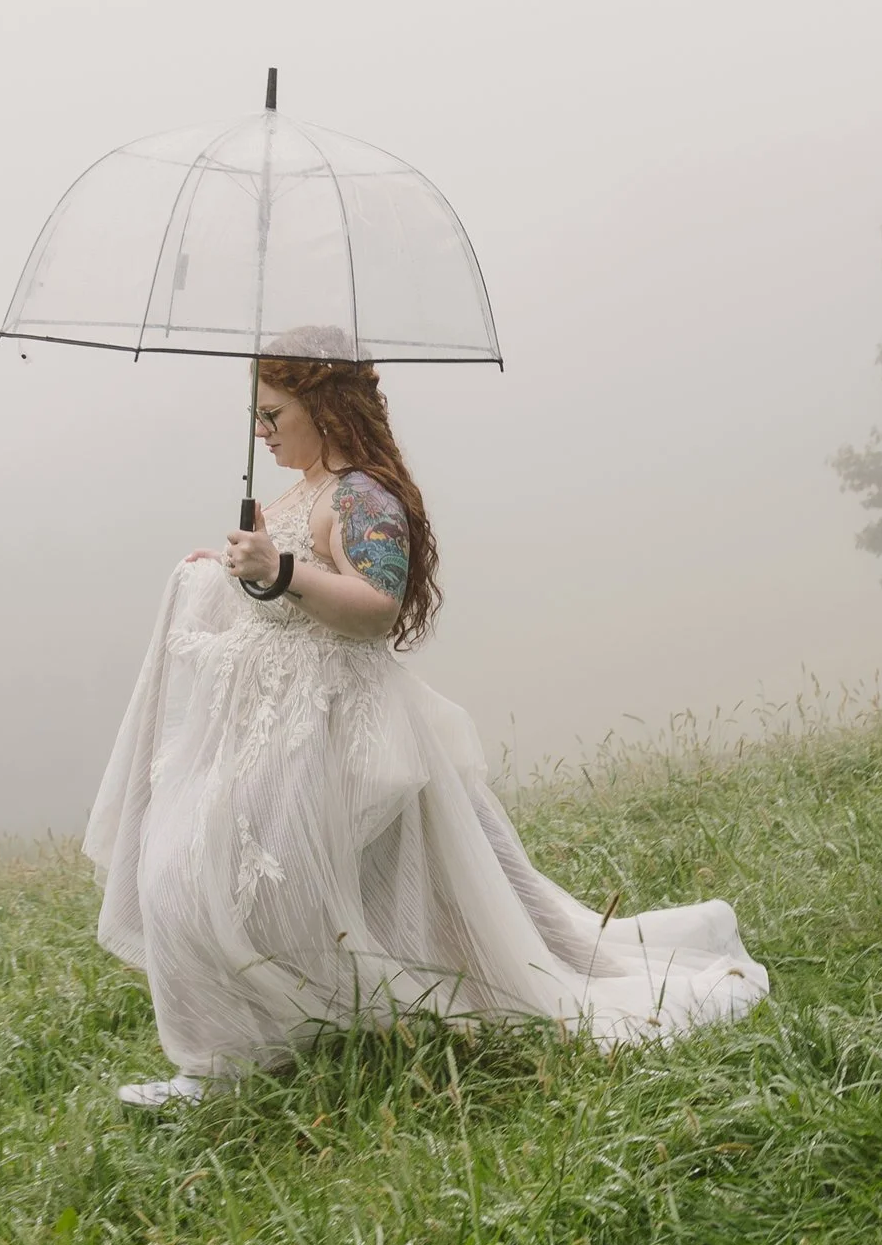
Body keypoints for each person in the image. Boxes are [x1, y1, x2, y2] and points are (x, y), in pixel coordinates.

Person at [86, 337, 768, 1103]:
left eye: (273, 413)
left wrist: (276, 571)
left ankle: (242, 1060)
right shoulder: (299, 490)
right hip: (273, 727)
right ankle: (241, 1055)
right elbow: (280, 590)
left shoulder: (362, 497)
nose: (261, 431)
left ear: (325, 405)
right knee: (185, 877)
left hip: (338, 730)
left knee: (222, 884)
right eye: (257, 415)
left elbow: (375, 609)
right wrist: (223, 571)